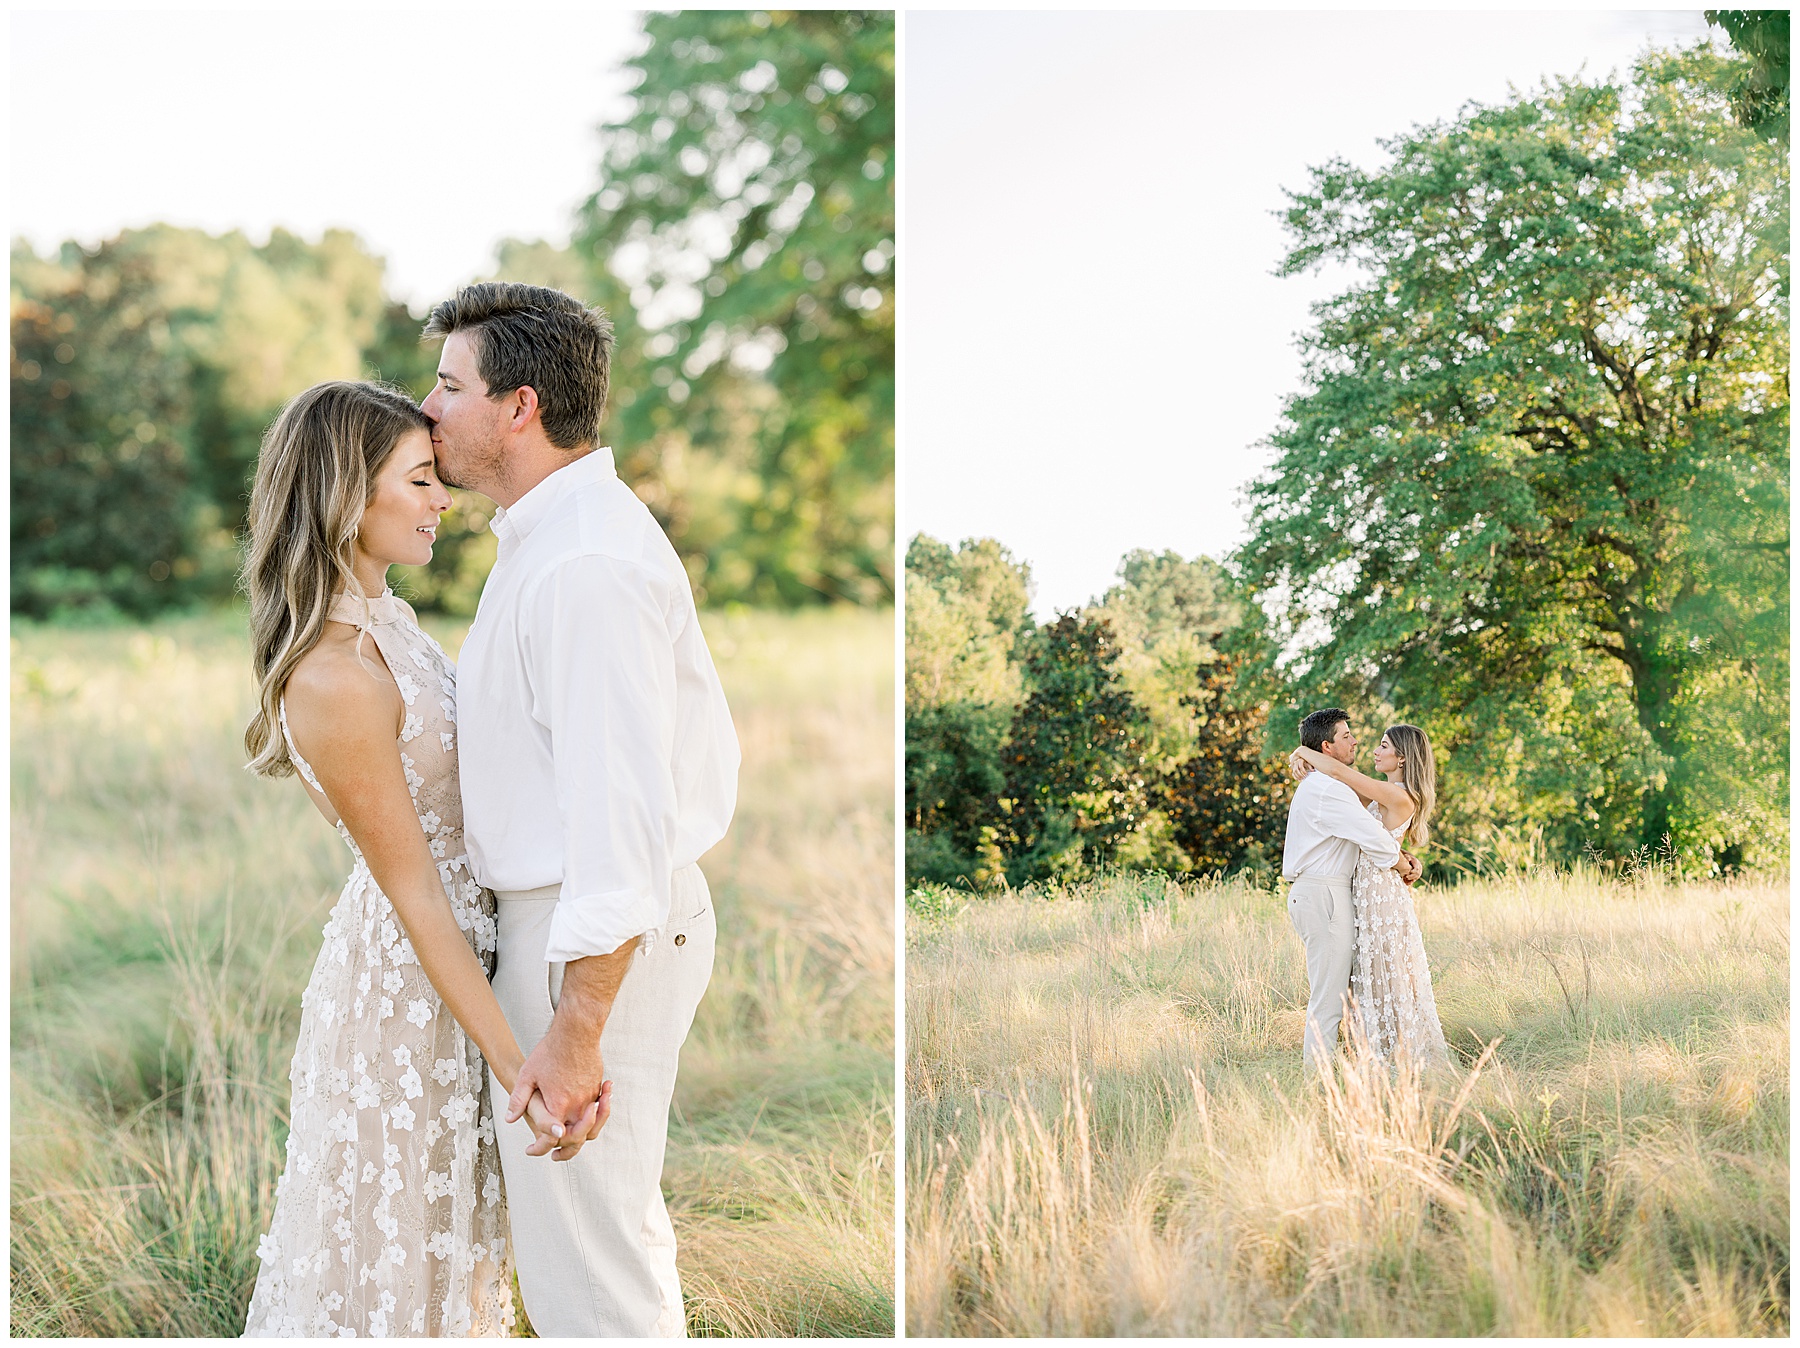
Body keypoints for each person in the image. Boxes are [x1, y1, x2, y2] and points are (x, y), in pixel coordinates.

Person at [239, 381, 603, 1337]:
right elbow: (415, 892)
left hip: (464, 970)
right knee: (396, 1263)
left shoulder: (389, 620)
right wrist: (518, 1060)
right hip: (409, 997)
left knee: (461, 1261)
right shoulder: (333, 675)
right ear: (346, 497)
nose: (444, 498)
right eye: (420, 479)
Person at [420, 283, 740, 1337]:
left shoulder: (587, 563)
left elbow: (621, 818)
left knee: (590, 1272)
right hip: (569, 929)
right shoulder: (549, 539)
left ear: (518, 407)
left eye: (448, 385)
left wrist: (577, 1021)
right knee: (598, 1240)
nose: (428, 408)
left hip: (593, 938)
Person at [1290, 722, 1450, 1071]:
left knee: (1385, 975)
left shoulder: (1395, 793)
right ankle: (1376, 1056)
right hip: (1364, 888)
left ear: (1403, 758)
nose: (1374, 751)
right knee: (1371, 977)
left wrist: (1302, 751)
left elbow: (1336, 770)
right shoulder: (1384, 792)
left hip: (1380, 894)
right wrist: (1407, 860)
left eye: (1383, 746)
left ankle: (1395, 1061)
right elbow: (1340, 791)